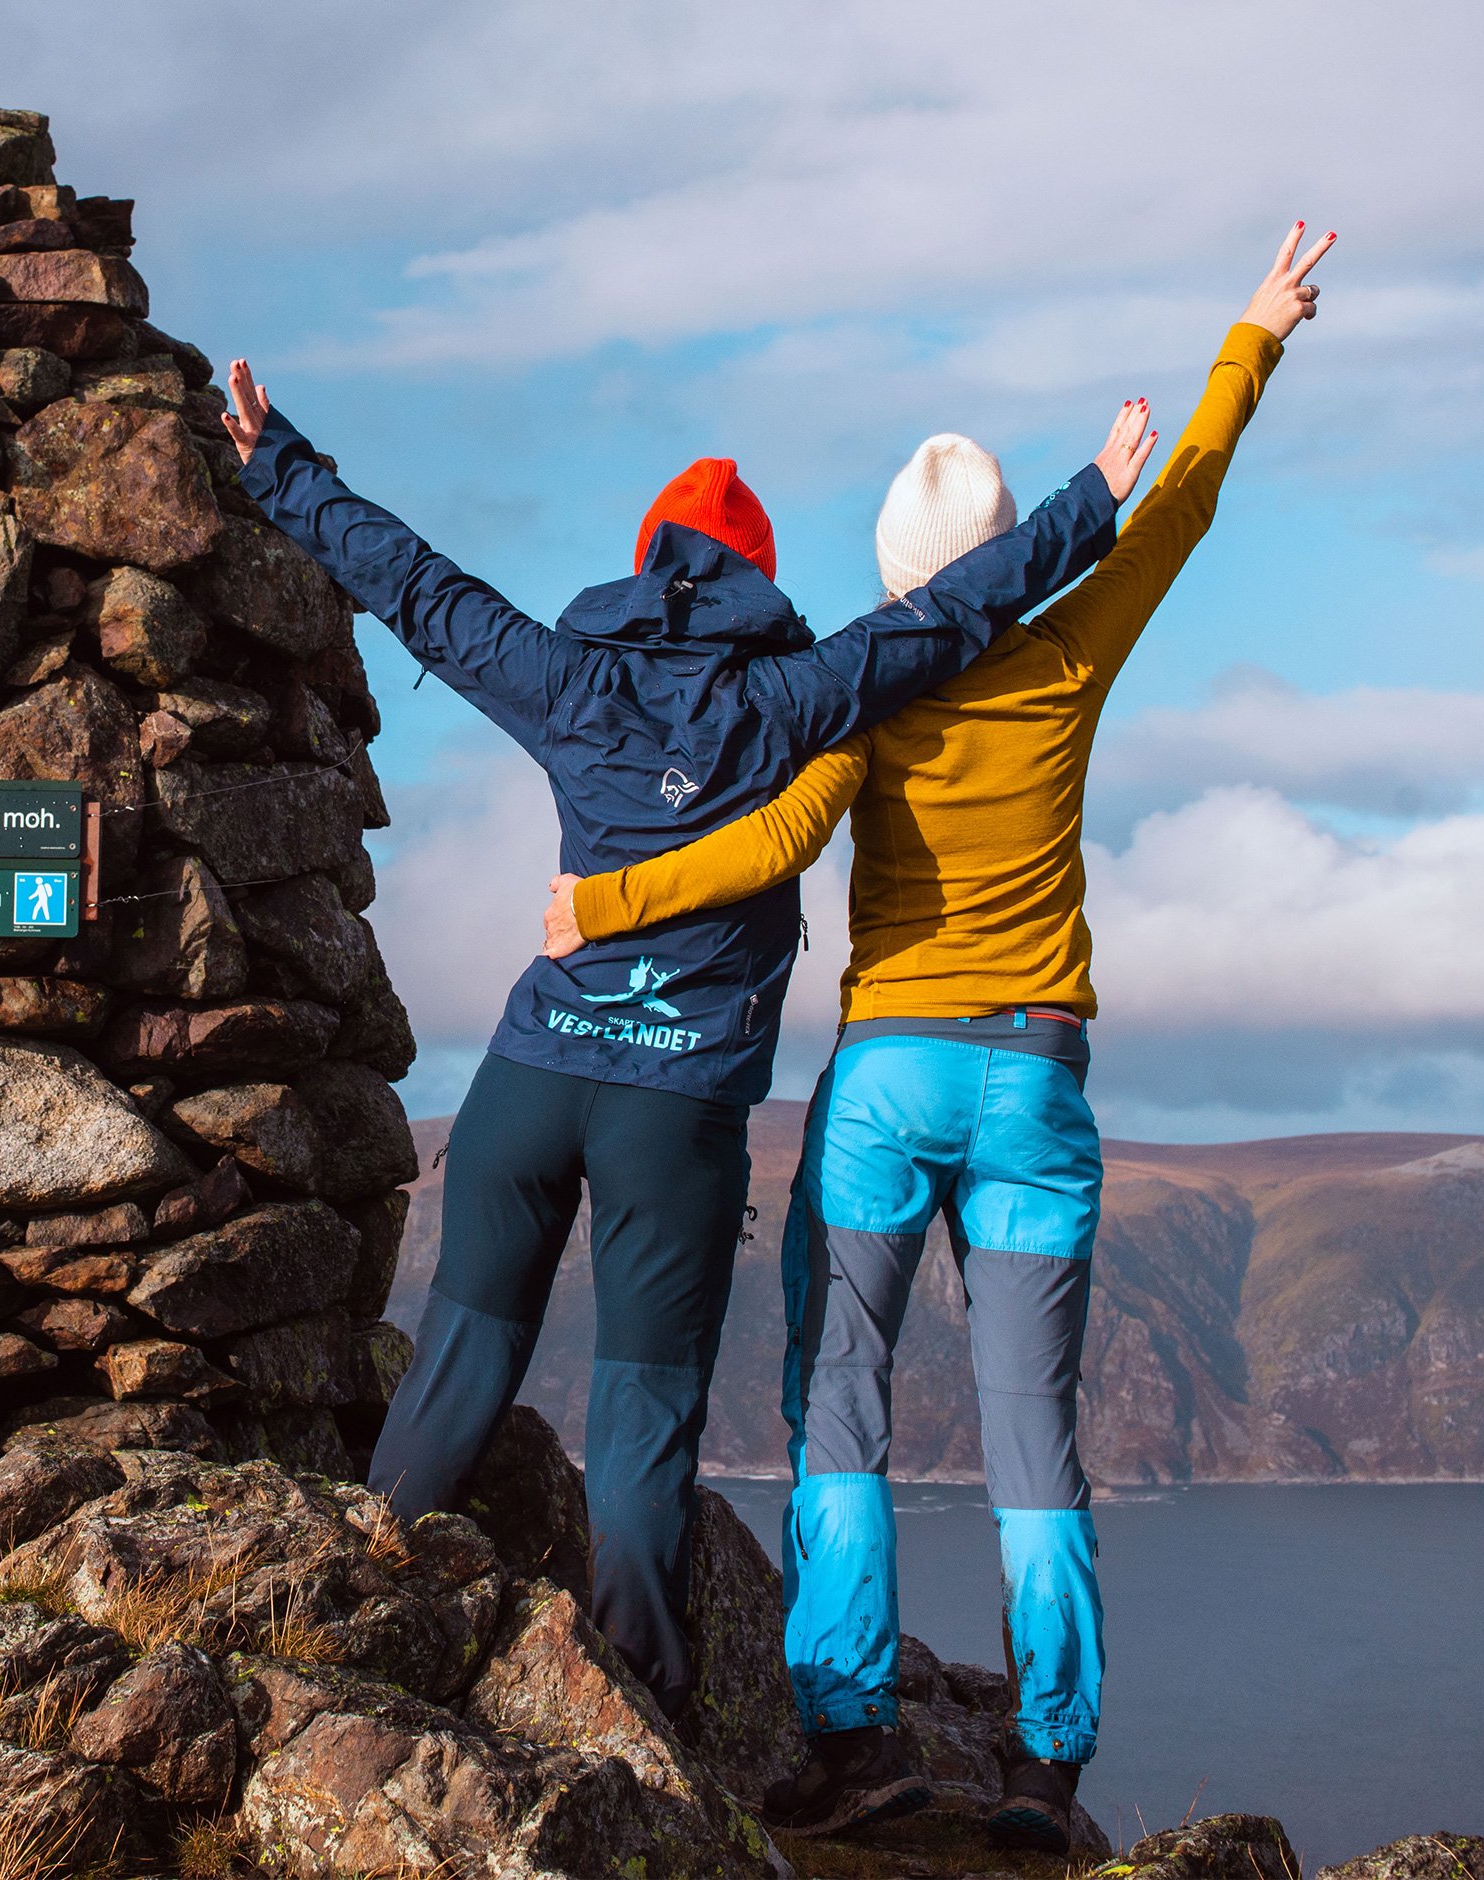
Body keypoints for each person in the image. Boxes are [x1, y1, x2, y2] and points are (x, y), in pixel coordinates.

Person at [541, 224, 1335, 1843]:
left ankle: (856, 1745)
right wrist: (1250, 337)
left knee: (842, 1402)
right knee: (1035, 1432)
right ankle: (1048, 1766)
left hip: (890, 1080)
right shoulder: (1064, 660)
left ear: (904, 565)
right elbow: (1176, 506)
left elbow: (757, 850)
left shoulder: (864, 691)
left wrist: (601, 910)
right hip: (1036, 1071)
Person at [221, 362, 1156, 1717]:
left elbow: (417, 587)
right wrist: (1088, 505)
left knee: (461, 1360)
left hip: (532, 1081)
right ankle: (638, 1709)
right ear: (763, 586)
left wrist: (282, 466)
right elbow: (954, 615)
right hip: (677, 1115)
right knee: (642, 1422)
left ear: (646, 560)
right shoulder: (797, 700)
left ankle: (355, 1635)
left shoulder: (565, 673)